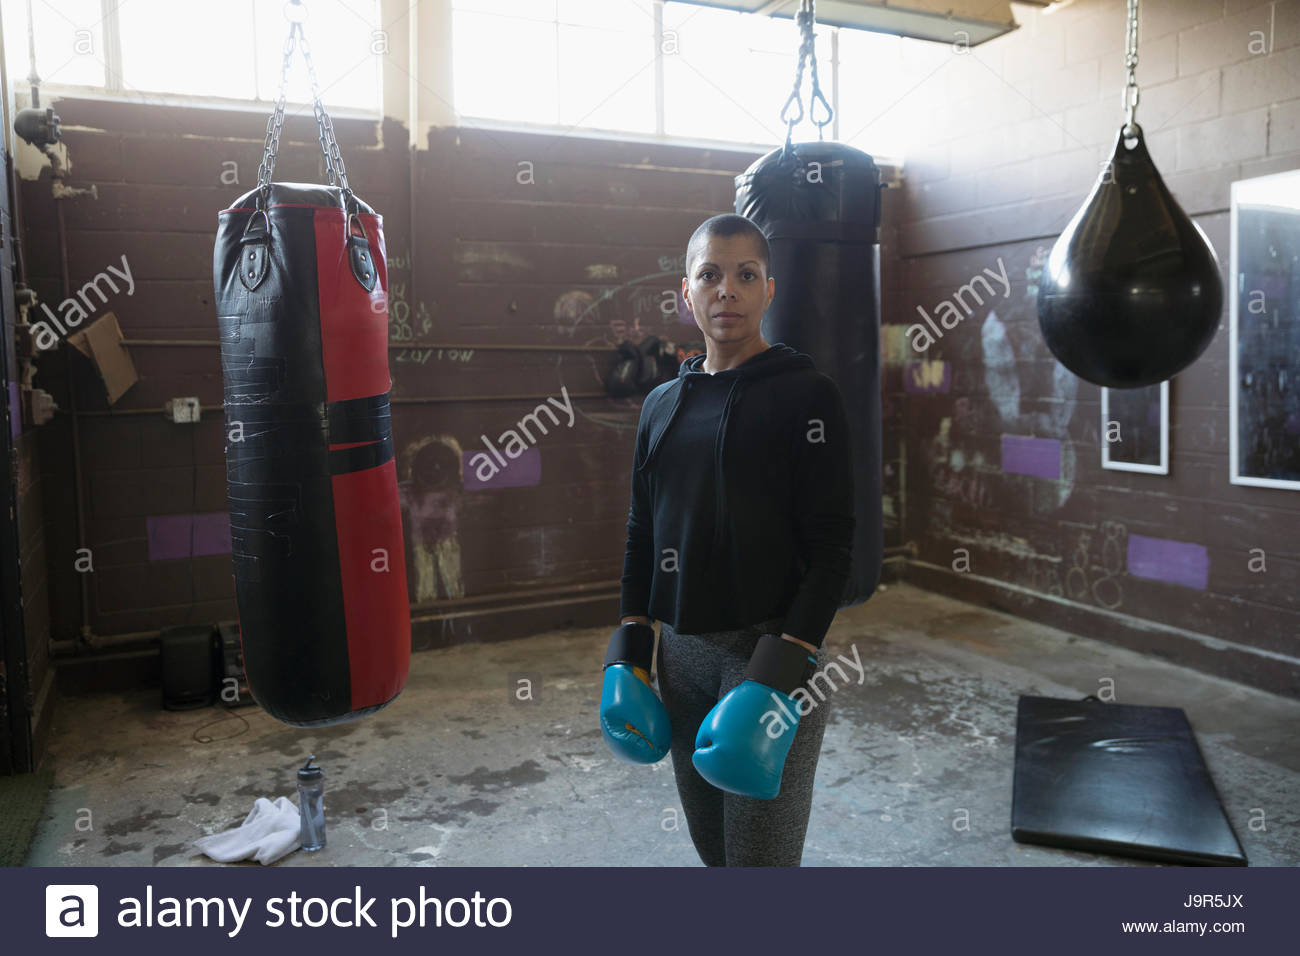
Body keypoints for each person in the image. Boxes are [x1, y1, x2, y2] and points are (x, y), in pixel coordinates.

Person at [600, 212, 855, 866]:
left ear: (769, 291)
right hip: (680, 660)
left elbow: (834, 547)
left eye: (746, 275)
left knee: (760, 866)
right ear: (686, 293)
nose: (727, 290)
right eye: (709, 275)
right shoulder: (662, 406)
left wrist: (778, 672)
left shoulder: (807, 396)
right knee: (714, 853)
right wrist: (628, 652)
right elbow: (640, 532)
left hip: (768, 653)